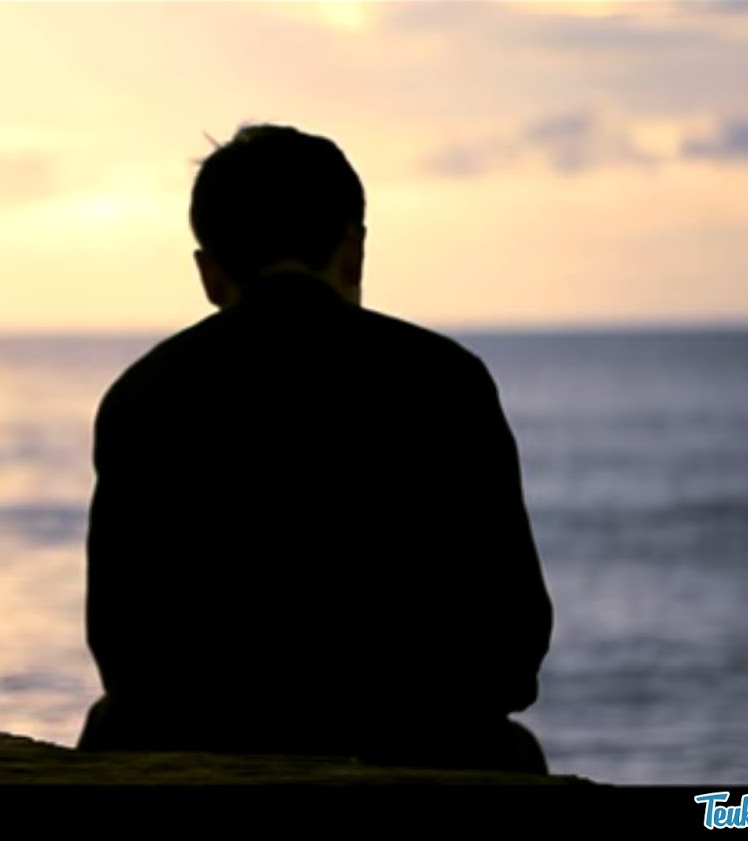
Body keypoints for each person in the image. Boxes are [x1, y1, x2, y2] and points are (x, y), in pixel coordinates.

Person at [76, 124, 554, 774]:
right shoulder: (445, 379)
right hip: (414, 747)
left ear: (209, 274)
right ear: (353, 252)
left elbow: (117, 647)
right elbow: (513, 643)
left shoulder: (143, 394)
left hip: (201, 753)